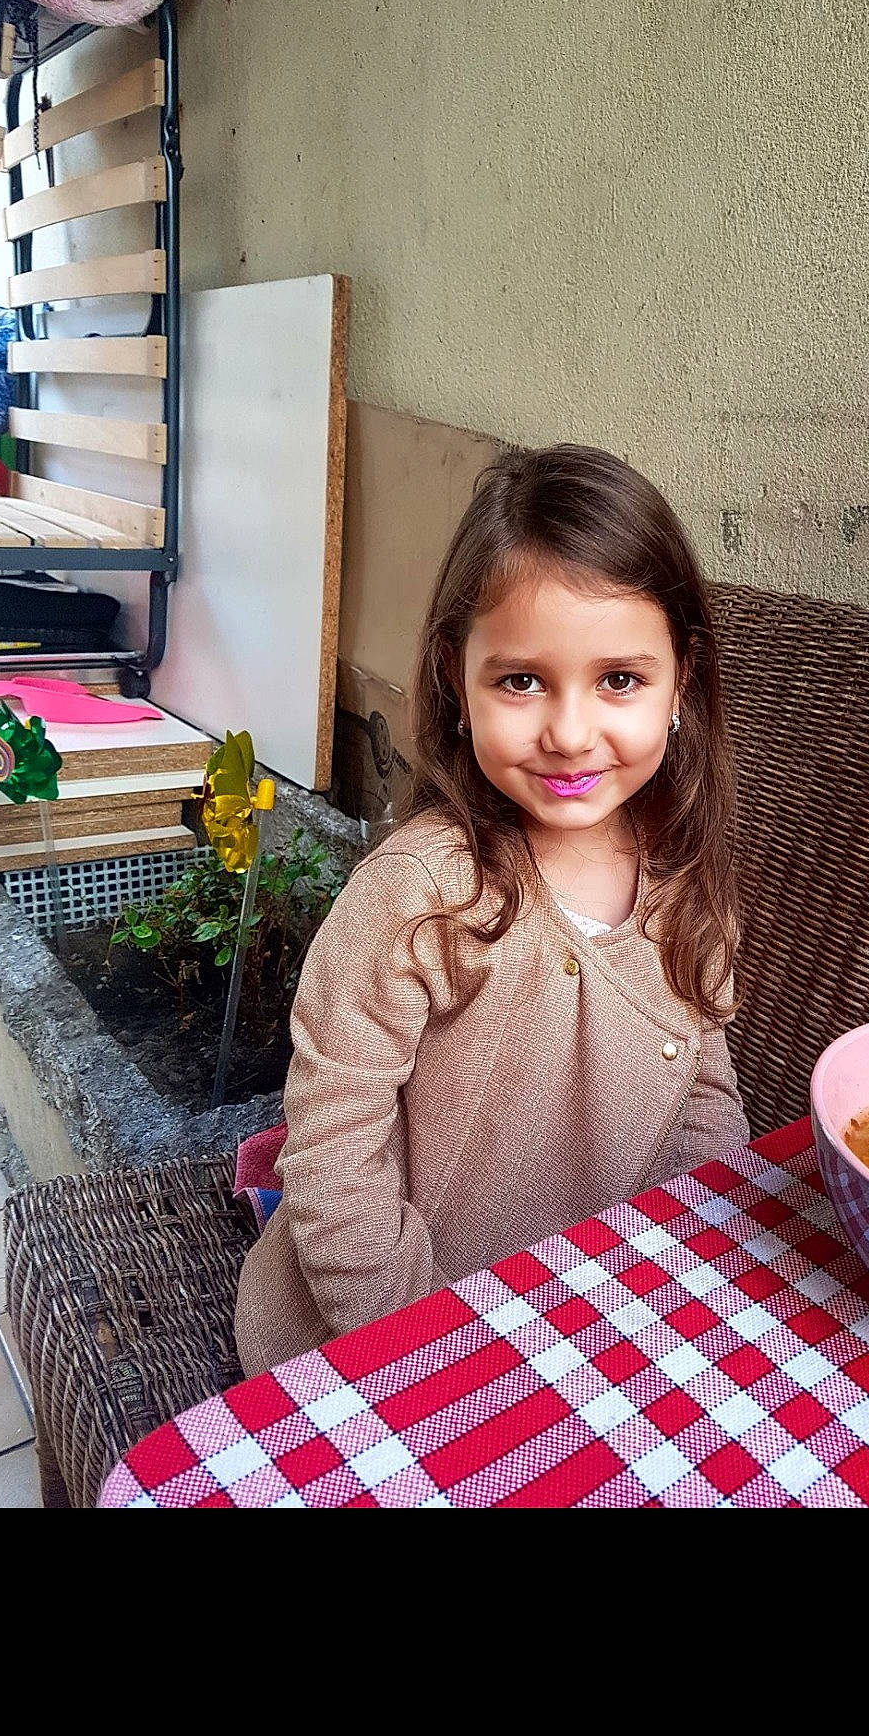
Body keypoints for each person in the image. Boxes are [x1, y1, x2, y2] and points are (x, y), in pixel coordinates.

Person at [235, 444, 750, 1375]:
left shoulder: (685, 876)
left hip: (598, 1317)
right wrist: (420, 1340)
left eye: (620, 680)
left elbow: (706, 1080)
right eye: (521, 680)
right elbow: (334, 1133)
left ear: (683, 677)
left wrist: (692, 1245)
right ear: (455, 679)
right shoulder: (422, 893)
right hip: (393, 1338)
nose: (569, 731)